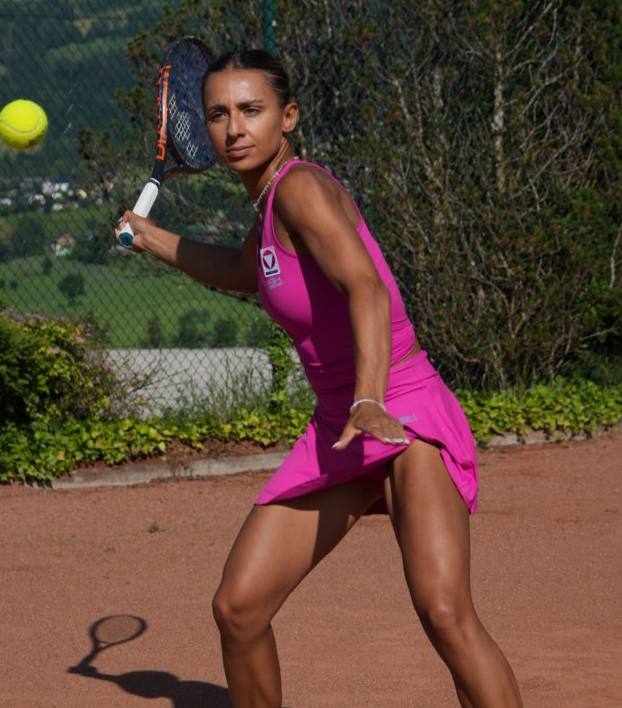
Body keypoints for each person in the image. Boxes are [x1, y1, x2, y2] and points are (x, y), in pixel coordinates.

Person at [115, 49, 522, 708]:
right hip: (340, 427)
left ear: (288, 116)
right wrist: (150, 237)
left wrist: (368, 396)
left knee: (446, 614)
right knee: (240, 608)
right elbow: (247, 273)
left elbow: (366, 289)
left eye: (252, 110)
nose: (233, 128)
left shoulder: (302, 189)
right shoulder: (270, 204)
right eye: (218, 114)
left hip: (401, 410)